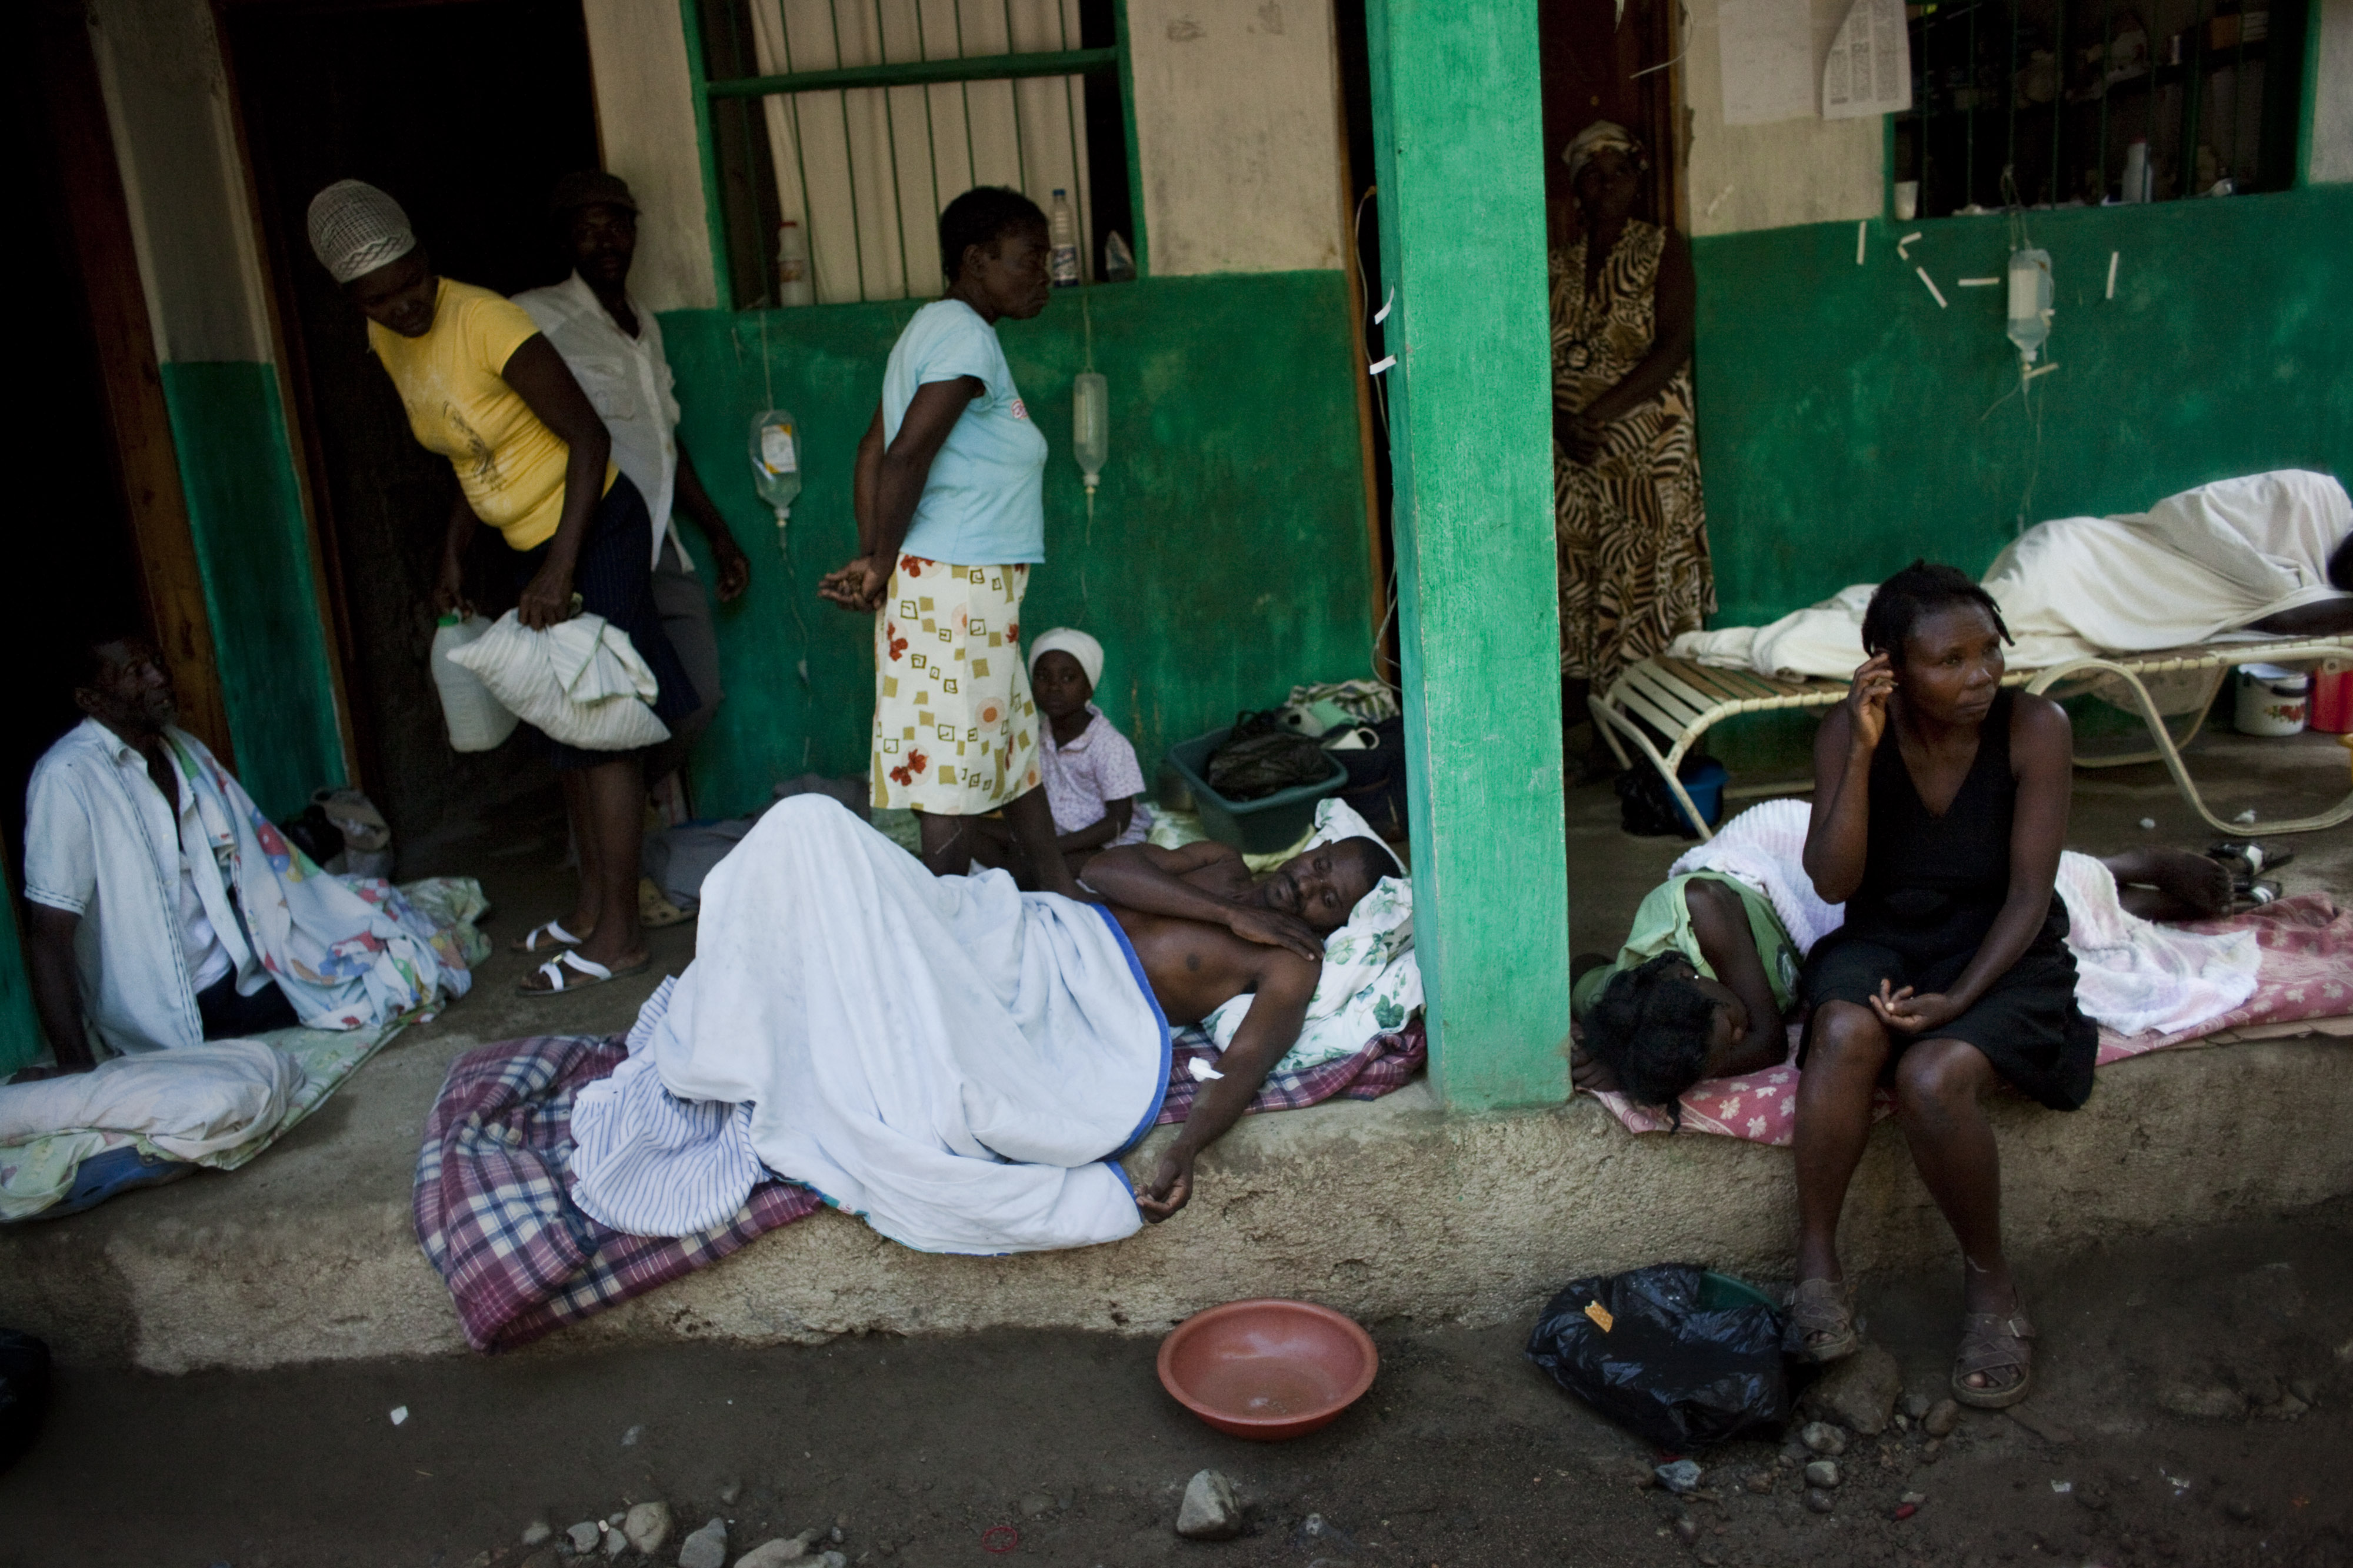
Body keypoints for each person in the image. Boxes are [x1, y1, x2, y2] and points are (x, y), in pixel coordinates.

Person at [308, 179, 698, 994]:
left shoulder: (486, 319)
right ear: (357, 301)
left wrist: (563, 566)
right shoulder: (386, 337)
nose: (406, 306)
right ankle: (593, 908)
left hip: (596, 527)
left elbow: (587, 438)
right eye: (382, 300)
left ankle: (622, 936)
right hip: (531, 538)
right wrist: (456, 550)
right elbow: (465, 447)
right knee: (563, 734)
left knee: (603, 728)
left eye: (413, 283)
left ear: (427, 261)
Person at [1791, 561, 2091, 1412]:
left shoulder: (2037, 727)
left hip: (2001, 943)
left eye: (1989, 651)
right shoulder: (1846, 735)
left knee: (1931, 1077)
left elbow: (2032, 893)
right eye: (1949, 660)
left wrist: (1959, 1001)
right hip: (1886, 933)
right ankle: (1817, 1267)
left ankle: (1993, 1292)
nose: (1980, 675)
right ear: (1886, 665)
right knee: (1846, 1033)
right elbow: (1835, 882)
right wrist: (1859, 748)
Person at [19, 639, 468, 1077]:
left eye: (157, 662)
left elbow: (250, 861)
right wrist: (75, 1068)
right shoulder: (69, 779)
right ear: (91, 699)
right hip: (179, 1002)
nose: (160, 678)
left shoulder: (180, 750)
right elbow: (49, 934)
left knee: (366, 935)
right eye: (137, 672)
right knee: (366, 984)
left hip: (237, 965)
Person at [816, 186, 1079, 896]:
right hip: (954, 588)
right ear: (975, 259)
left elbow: (872, 449)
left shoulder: (935, 330)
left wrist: (879, 555)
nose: (1043, 277)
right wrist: (879, 561)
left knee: (1009, 741)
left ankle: (1058, 887)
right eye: (1028, 261)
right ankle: (945, 933)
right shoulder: (961, 334)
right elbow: (903, 454)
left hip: (957, 585)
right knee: (951, 768)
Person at [1567, 842, 2236, 1116]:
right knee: (2030, 940)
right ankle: (2141, 907)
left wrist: (1666, 1068)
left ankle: (2126, 862)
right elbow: (1583, 969)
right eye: (1726, 1039)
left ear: (1686, 971)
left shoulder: (1704, 913)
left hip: (1807, 871)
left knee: (1981, 894)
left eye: (1726, 1013)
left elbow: (1770, 1042)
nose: (1741, 1020)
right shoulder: (1635, 999)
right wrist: (1636, 1055)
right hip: (1820, 938)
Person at [513, 171, 752, 807]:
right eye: (587, 231)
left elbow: (664, 441)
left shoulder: (645, 324)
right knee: (596, 712)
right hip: (587, 545)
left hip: (660, 537)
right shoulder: (533, 316)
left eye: (616, 226)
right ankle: (610, 847)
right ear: (566, 240)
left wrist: (719, 532)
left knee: (698, 696)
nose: (605, 242)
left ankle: (623, 812)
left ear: (634, 232)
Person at [1551, 121, 1712, 747]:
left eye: (1619, 169)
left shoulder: (1662, 248)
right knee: (1577, 584)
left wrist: (1598, 412)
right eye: (1592, 173)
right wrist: (1562, 424)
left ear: (1638, 180)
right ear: (1577, 190)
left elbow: (1673, 345)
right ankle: (1595, 732)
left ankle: (1656, 732)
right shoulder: (1555, 265)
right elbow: (1527, 357)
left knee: (1642, 586)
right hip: (1573, 459)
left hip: (1647, 452)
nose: (1607, 182)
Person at [970, 628, 1151, 884]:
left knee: (1048, 870)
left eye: (1068, 678)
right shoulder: (1035, 736)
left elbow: (1119, 821)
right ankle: (1022, 870)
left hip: (1101, 842)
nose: (1054, 687)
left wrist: (1055, 848)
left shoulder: (1109, 745)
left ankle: (1027, 873)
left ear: (1089, 688)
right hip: (1051, 833)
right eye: (1043, 677)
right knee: (967, 829)